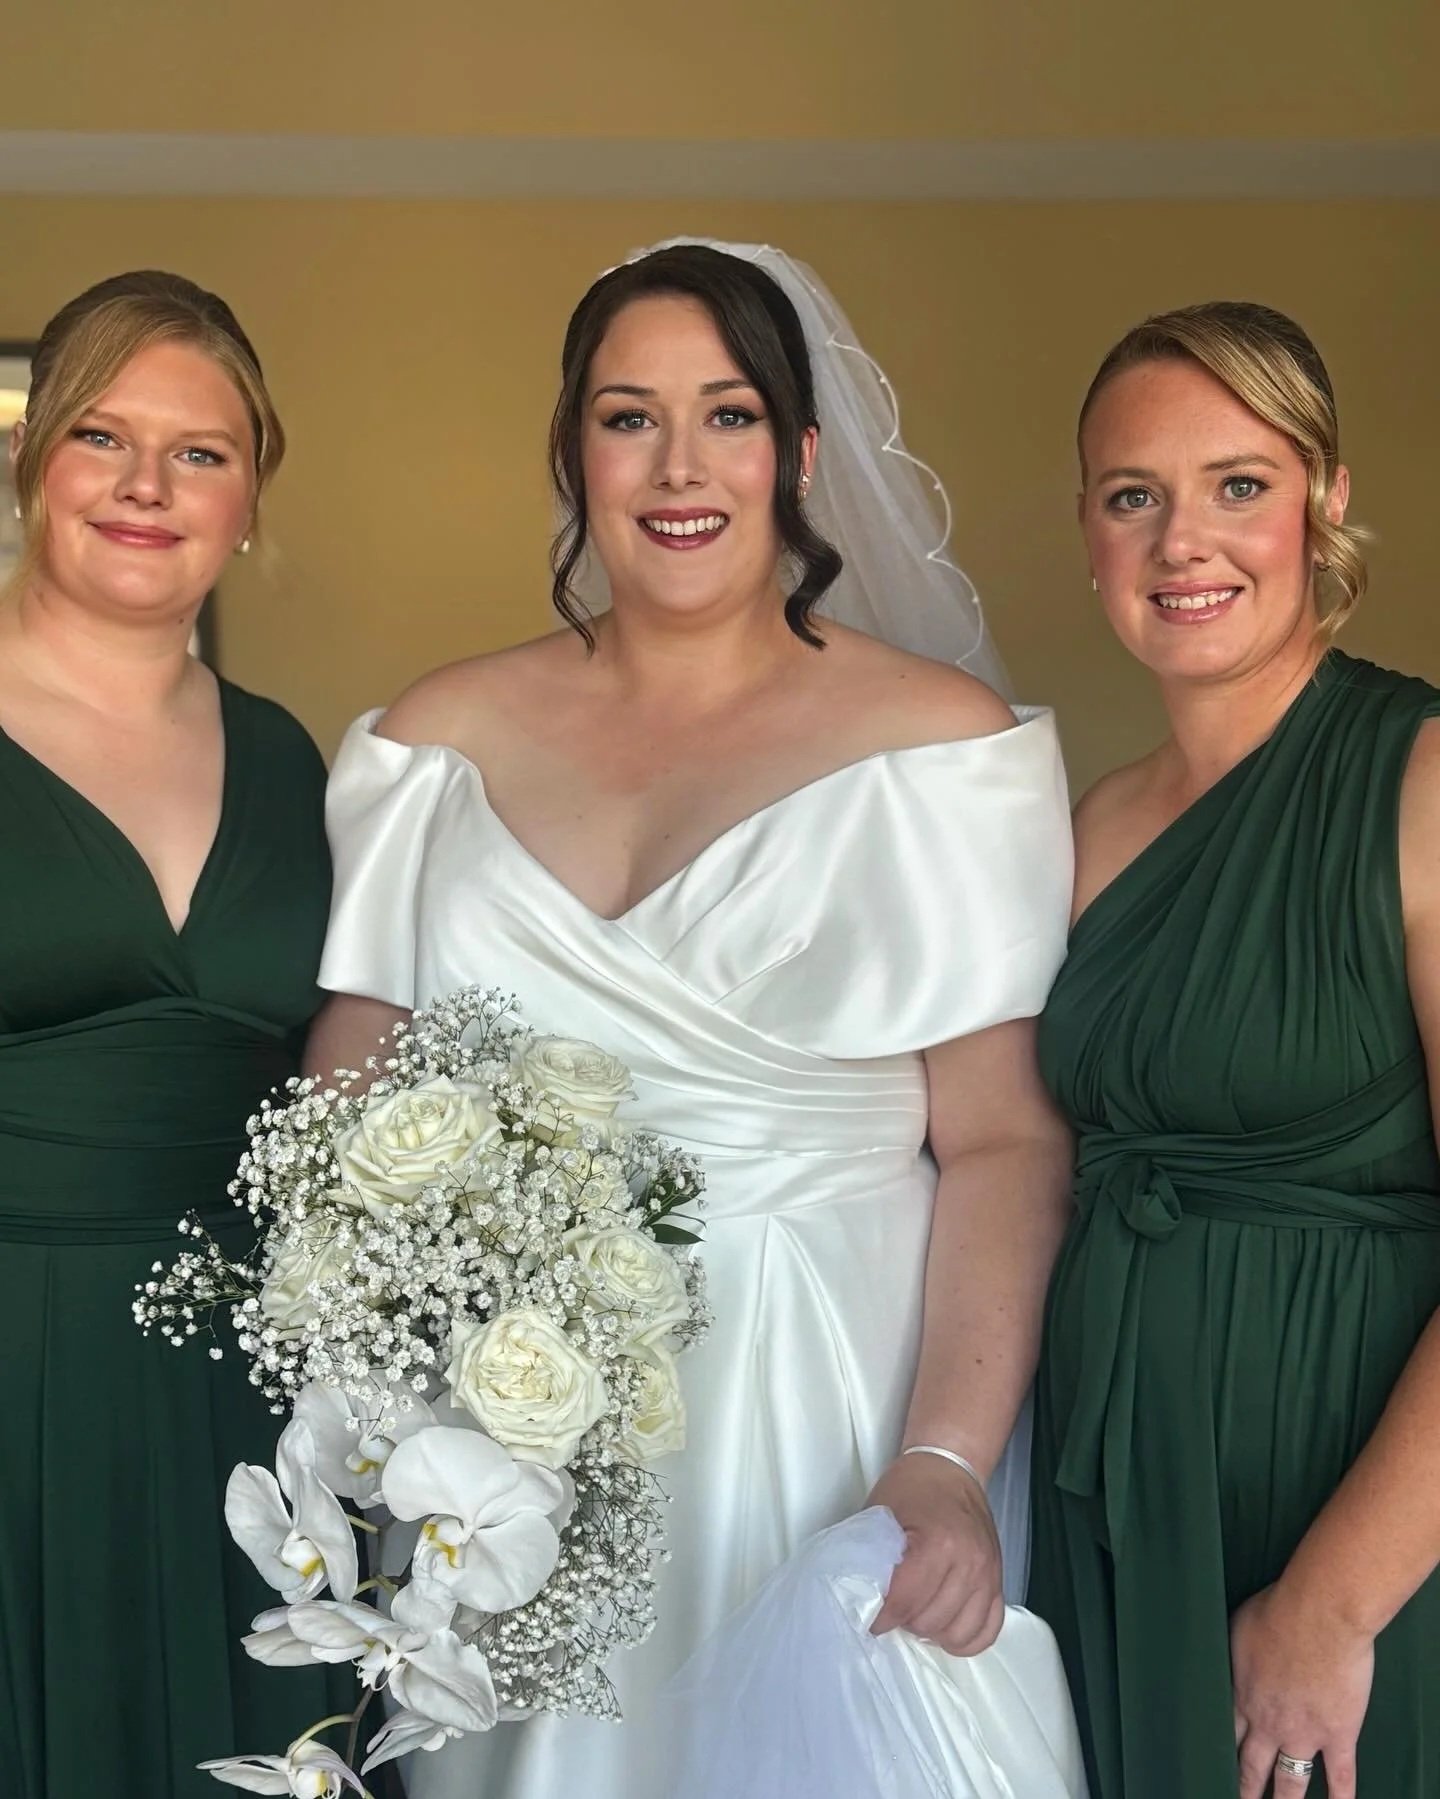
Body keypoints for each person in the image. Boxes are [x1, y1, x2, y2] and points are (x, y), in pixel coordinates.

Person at [311, 239, 1076, 1799]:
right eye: (627, 416)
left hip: (825, 1386)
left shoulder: (938, 750)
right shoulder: (430, 740)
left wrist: (939, 1466)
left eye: (727, 416)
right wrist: (377, 1389)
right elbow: (349, 1093)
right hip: (518, 1426)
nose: (679, 467)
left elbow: (1000, 1139)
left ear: (797, 456)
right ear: (572, 450)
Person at [1028, 300, 1440, 1799]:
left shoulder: (1423, 775)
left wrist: (1336, 1605)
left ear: (1324, 497)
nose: (1182, 543)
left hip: (1356, 1525)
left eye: (1239, 486)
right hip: (1118, 1498)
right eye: (1136, 497)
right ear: (1088, 530)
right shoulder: (1088, 827)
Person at [0, 271, 343, 1798]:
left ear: (252, 493)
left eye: (199, 452)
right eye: (101, 437)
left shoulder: (289, 756)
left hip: (244, 1396)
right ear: (30, 465)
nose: (148, 487)